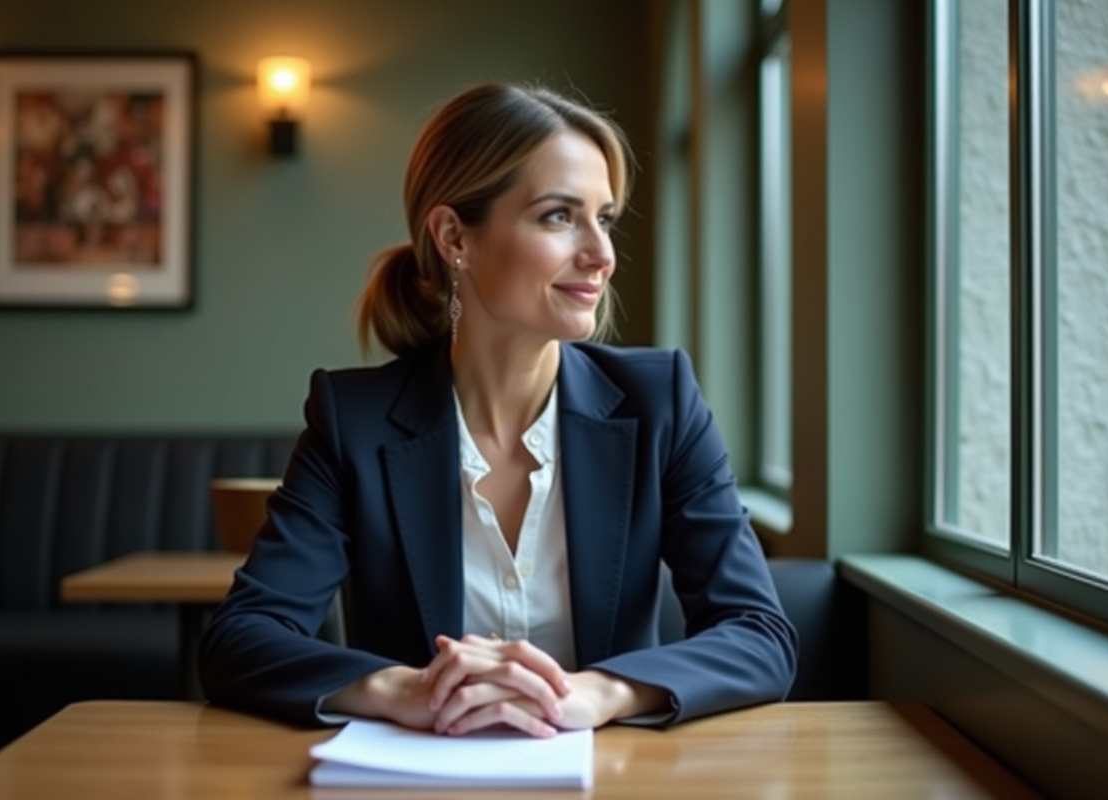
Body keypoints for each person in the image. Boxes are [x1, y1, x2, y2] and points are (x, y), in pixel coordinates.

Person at [198, 82, 798, 738]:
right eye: (559, 216)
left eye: (605, 217)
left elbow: (760, 634)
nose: (602, 254)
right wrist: (407, 689)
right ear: (455, 236)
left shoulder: (663, 403)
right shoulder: (353, 421)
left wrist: (599, 694)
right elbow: (239, 638)